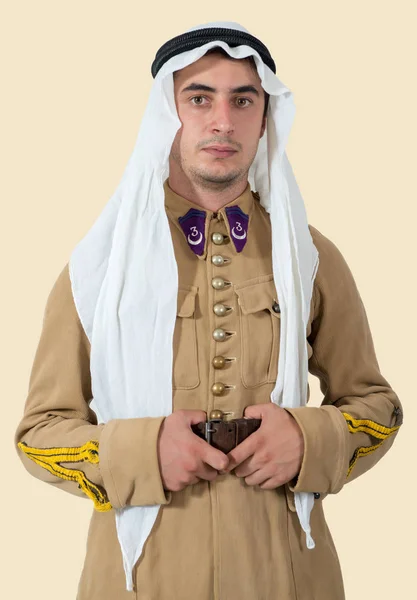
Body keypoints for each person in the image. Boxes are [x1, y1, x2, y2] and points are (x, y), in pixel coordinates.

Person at [14, 21, 403, 600]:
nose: (222, 121)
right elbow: (39, 435)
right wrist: (142, 453)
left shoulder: (309, 256)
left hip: (287, 578)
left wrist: (308, 439)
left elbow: (377, 409)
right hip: (140, 582)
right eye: (199, 98)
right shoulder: (99, 265)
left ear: (264, 118)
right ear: (164, 116)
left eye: (243, 100)